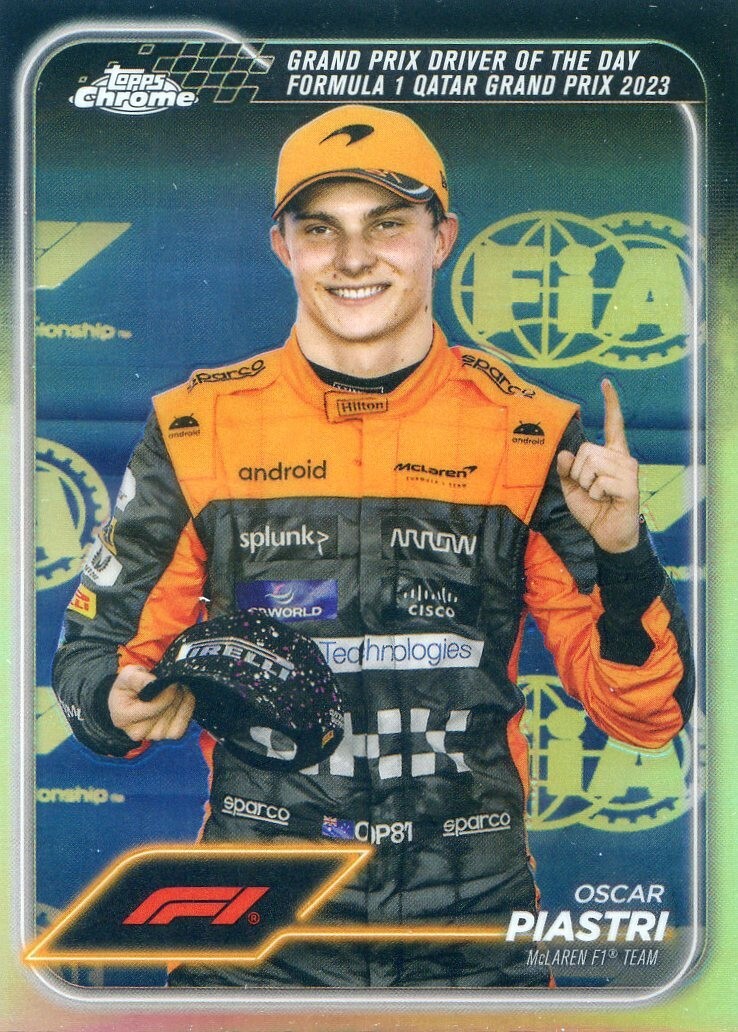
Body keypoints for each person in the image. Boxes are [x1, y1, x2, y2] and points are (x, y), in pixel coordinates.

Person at [52, 104, 693, 988]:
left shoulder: (531, 434)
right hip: (256, 920)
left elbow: (645, 714)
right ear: (283, 247)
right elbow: (95, 658)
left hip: (468, 922)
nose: (353, 258)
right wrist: (116, 701)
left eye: (387, 224)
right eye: (321, 229)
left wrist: (624, 553)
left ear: (442, 238)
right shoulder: (198, 426)